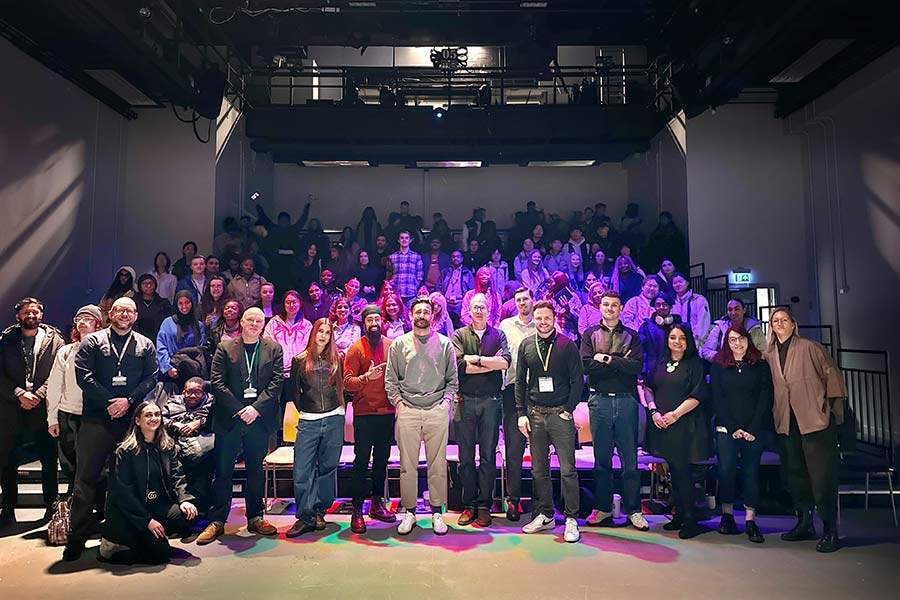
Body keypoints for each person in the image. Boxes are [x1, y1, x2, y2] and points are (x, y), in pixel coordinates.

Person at [65, 297, 158, 561]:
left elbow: (151, 376)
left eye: (129, 310)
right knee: (85, 479)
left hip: (130, 421)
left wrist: (128, 401)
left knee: (128, 480)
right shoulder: (92, 342)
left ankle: (126, 533)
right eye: (120, 310)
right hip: (97, 419)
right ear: (111, 314)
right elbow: (84, 376)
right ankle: (77, 537)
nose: (125, 314)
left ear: (136, 315)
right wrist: (109, 402)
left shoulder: (145, 344)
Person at [197, 307, 284, 545]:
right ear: (241, 322)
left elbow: (276, 383)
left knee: (256, 471)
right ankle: (217, 521)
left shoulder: (273, 348)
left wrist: (255, 408)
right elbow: (217, 383)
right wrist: (239, 409)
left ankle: (256, 517)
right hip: (230, 419)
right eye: (251, 320)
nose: (255, 324)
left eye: (259, 320)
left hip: (259, 419)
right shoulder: (225, 348)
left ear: (263, 324)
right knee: (223, 472)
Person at [764, 307, 847, 553]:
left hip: (815, 420)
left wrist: (833, 412)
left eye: (783, 319)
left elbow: (832, 376)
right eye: (775, 320)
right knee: (795, 474)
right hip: (787, 423)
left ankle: (830, 529)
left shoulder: (810, 347)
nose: (779, 323)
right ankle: (804, 523)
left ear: (793, 323)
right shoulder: (768, 354)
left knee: (821, 476)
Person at [385, 298, 458, 536]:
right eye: (418, 311)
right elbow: (390, 381)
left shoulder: (445, 344)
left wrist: (445, 404)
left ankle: (438, 512)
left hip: (436, 408)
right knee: (407, 465)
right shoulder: (399, 344)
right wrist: (399, 404)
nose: (422, 315)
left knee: (437, 464)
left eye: (426, 311)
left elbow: (452, 381)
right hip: (408, 410)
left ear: (433, 316)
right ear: (411, 316)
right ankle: (410, 512)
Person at [98, 400, 198, 565]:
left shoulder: (167, 446)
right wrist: (147, 521)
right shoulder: (125, 451)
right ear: (138, 421)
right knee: (159, 556)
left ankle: (150, 539)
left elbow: (177, 475)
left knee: (186, 514)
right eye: (148, 415)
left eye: (157, 414)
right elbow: (124, 494)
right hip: (131, 512)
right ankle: (114, 546)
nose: (154, 418)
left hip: (156, 505)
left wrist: (184, 499)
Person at [515, 300, 583, 542]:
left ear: (554, 319)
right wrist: (521, 413)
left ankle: (571, 518)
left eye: (547, 318)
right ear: (534, 320)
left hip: (560, 415)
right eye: (539, 318)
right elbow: (520, 382)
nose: (543, 322)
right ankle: (546, 514)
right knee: (538, 469)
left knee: (568, 470)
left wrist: (568, 409)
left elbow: (578, 381)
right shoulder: (526, 346)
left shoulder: (567, 345)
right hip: (534, 414)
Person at [580, 290, 647, 530]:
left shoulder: (632, 335)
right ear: (600, 307)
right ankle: (603, 509)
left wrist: (606, 359)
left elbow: (636, 367)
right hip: (599, 401)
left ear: (621, 309)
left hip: (627, 400)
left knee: (630, 461)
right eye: (606, 304)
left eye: (614, 305)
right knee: (602, 462)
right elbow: (587, 367)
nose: (609, 308)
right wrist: (620, 361)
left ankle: (634, 511)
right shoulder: (590, 334)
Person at [0, 298, 65, 528]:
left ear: (41, 314)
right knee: (7, 461)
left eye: (35, 311)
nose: (31, 315)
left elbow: (59, 373)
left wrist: (38, 394)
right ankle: (7, 510)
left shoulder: (55, 339)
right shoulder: (5, 339)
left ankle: (51, 508)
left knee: (49, 459)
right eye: (27, 312)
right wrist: (19, 393)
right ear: (18, 316)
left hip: (42, 407)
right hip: (11, 407)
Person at [643, 323, 711, 539]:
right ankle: (679, 514)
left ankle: (691, 519)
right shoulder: (660, 362)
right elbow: (648, 387)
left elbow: (698, 394)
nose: (677, 342)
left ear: (688, 340)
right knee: (673, 471)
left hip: (685, 425)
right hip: (663, 424)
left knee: (684, 473)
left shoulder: (695, 364)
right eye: (673, 337)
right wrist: (653, 411)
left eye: (682, 338)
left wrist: (674, 415)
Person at [452, 294, 512, 528]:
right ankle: (470, 505)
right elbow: (458, 366)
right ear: (469, 310)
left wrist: (474, 361)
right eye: (475, 307)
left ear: (489, 310)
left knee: (488, 457)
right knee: (465, 458)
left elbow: (506, 362)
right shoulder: (459, 335)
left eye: (483, 307)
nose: (478, 311)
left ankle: (485, 505)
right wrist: (488, 362)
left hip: (491, 401)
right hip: (465, 401)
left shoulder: (498, 335)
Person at [711, 325, 773, 544]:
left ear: (749, 340)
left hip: (753, 430)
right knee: (726, 471)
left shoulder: (761, 365)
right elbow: (717, 398)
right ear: (726, 342)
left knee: (750, 473)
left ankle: (750, 520)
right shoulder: (718, 366)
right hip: (726, 429)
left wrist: (752, 428)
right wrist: (732, 427)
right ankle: (727, 516)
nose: (737, 343)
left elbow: (765, 397)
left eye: (741, 339)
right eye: (732, 340)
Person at [284, 318, 346, 537]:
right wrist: (309, 413)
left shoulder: (337, 359)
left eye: (328, 333)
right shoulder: (299, 360)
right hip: (309, 421)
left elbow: (342, 388)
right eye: (320, 331)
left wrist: (337, 411)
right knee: (302, 469)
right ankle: (305, 516)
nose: (323, 336)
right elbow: (294, 393)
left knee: (328, 468)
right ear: (313, 333)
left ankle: (320, 511)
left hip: (334, 419)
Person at [343, 306, 397, 533]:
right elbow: (347, 382)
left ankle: (376, 504)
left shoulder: (391, 346)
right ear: (363, 323)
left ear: (382, 321)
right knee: (361, 461)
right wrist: (366, 377)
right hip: (364, 414)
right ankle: (357, 509)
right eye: (369, 319)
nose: (374, 322)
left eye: (377, 318)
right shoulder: (355, 350)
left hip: (387, 414)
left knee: (382, 462)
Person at [46, 305, 102, 503]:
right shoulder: (66, 351)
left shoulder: (105, 350)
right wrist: (52, 419)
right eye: (79, 318)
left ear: (98, 323)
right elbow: (54, 386)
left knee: (95, 465)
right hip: (68, 413)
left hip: (94, 415)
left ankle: (97, 509)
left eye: (88, 318)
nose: (83, 321)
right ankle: (74, 507)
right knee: (69, 463)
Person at [497, 288, 535, 520]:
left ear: (533, 301)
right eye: (518, 300)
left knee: (541, 450)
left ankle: (542, 501)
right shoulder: (505, 326)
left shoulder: (543, 323)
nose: (522, 303)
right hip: (512, 392)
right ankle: (513, 501)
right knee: (514, 449)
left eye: (525, 299)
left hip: (539, 391)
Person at [161, 377, 215, 514]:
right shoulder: (174, 401)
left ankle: (200, 505)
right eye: (189, 392)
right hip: (176, 441)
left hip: (202, 443)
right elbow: (160, 417)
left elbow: (220, 420)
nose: (192, 396)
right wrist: (174, 424)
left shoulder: (212, 402)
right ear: (183, 392)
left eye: (197, 392)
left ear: (204, 393)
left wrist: (200, 423)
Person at [263, 290, 312, 423]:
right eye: (288, 302)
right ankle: (278, 434)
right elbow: (267, 343)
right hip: (277, 370)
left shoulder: (306, 325)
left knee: (296, 402)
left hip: (298, 372)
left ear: (300, 304)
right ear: (283, 304)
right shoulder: (274, 323)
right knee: (276, 404)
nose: (291, 305)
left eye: (294, 302)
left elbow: (309, 347)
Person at [156, 291, 206, 383]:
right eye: (180, 303)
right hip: (172, 370)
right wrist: (168, 367)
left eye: (187, 302)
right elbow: (161, 346)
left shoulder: (199, 325)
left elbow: (200, 348)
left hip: (193, 370)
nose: (184, 306)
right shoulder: (167, 323)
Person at [701, 298, 766, 361]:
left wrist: (746, 360)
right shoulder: (720, 327)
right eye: (730, 309)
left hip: (749, 366)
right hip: (725, 367)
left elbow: (762, 351)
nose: (733, 313)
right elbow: (706, 351)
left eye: (737, 309)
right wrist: (722, 357)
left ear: (744, 310)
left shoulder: (754, 329)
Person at [638, 293, 681, 377]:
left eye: (664, 304)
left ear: (670, 306)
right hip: (653, 370)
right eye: (658, 305)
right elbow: (642, 351)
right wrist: (642, 372)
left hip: (676, 369)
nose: (661, 307)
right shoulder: (646, 327)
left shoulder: (680, 326)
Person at [670, 272, 711, 349]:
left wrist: (696, 337)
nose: (678, 284)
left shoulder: (698, 300)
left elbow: (703, 321)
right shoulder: (672, 302)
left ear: (687, 282)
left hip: (695, 341)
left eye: (680, 281)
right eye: (675, 282)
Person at [643, 212, 688, 276]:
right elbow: (651, 247)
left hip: (673, 258)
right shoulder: (656, 232)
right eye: (661, 218)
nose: (662, 220)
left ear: (669, 219)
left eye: (664, 218)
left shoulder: (675, 233)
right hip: (658, 260)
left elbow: (679, 248)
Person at [388, 231, 424, 307]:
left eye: (406, 238)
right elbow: (388, 277)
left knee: (410, 317)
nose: (404, 240)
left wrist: (413, 288)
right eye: (402, 238)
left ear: (410, 240)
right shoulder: (392, 257)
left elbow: (420, 277)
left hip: (411, 295)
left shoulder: (417, 257)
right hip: (396, 295)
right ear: (398, 240)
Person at [440, 250, 475, 328]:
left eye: (458, 257)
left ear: (462, 259)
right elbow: (439, 286)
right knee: (446, 326)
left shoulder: (467, 272)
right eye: (453, 257)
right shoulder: (445, 271)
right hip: (446, 303)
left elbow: (471, 290)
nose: (456, 258)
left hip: (460, 304)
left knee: (460, 327)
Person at [134, 273, 172, 341]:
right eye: (144, 283)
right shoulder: (133, 303)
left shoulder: (164, 303)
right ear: (140, 286)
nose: (148, 285)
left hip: (158, 338)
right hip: (137, 339)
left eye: (151, 283)